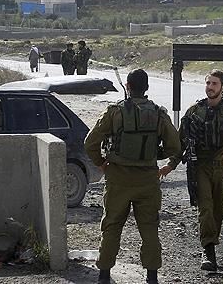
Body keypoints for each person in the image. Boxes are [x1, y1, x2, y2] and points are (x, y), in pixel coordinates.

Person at [84, 69, 180, 284]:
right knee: (149, 228)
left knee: (111, 226)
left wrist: (101, 163)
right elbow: (175, 146)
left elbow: (90, 142)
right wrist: (157, 156)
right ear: (147, 88)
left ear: (127, 86)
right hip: (148, 180)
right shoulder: (159, 114)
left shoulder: (114, 112)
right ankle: (152, 277)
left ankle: (104, 275)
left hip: (118, 179)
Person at [160, 70, 223, 272]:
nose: (210, 87)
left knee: (219, 209)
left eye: (214, 83)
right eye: (208, 83)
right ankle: (208, 251)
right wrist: (171, 165)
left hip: (222, 167)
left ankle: (211, 243)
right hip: (200, 166)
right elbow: (181, 141)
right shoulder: (194, 111)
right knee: (205, 208)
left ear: (222, 86)